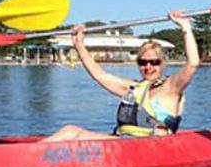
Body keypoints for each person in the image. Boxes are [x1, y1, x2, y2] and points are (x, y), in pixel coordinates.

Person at [40, 10, 199, 141]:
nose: (148, 67)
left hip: (150, 147)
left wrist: (185, 27)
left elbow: (192, 64)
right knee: (70, 130)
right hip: (124, 142)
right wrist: (79, 45)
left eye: (154, 62)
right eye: (143, 62)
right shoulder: (133, 88)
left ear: (162, 64)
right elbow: (99, 75)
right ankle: (23, 157)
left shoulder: (171, 87)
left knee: (72, 134)